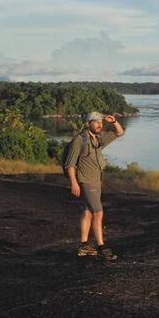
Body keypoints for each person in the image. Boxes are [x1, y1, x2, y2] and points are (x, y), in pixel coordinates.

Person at [64, 111, 125, 260]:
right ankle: (101, 247)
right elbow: (69, 164)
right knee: (98, 212)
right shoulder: (80, 140)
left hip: (96, 181)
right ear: (88, 123)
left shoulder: (99, 139)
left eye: (101, 122)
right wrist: (74, 183)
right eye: (96, 122)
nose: (99, 124)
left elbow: (120, 132)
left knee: (88, 211)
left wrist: (113, 121)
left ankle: (84, 245)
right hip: (85, 181)